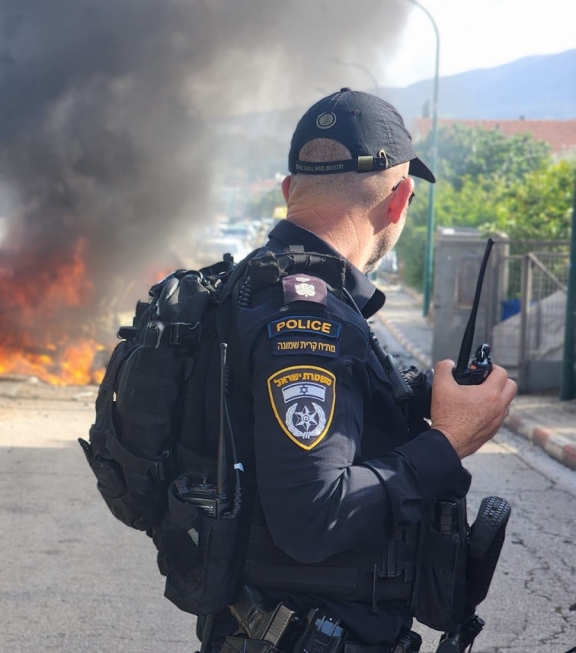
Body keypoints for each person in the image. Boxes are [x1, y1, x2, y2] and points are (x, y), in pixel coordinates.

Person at [208, 89, 518, 652]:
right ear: (399, 199)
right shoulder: (308, 320)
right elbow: (312, 519)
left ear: (288, 191)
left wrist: (420, 398)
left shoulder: (253, 286)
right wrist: (449, 442)